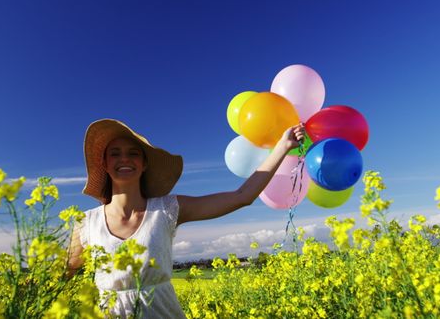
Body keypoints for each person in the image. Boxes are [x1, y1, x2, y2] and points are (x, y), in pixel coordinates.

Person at [67, 119, 304, 318]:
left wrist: (283, 147)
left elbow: (242, 196)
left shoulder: (167, 208)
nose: (124, 159)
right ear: (105, 164)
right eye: (115, 154)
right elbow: (58, 278)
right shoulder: (86, 224)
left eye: (133, 154)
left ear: (144, 163)